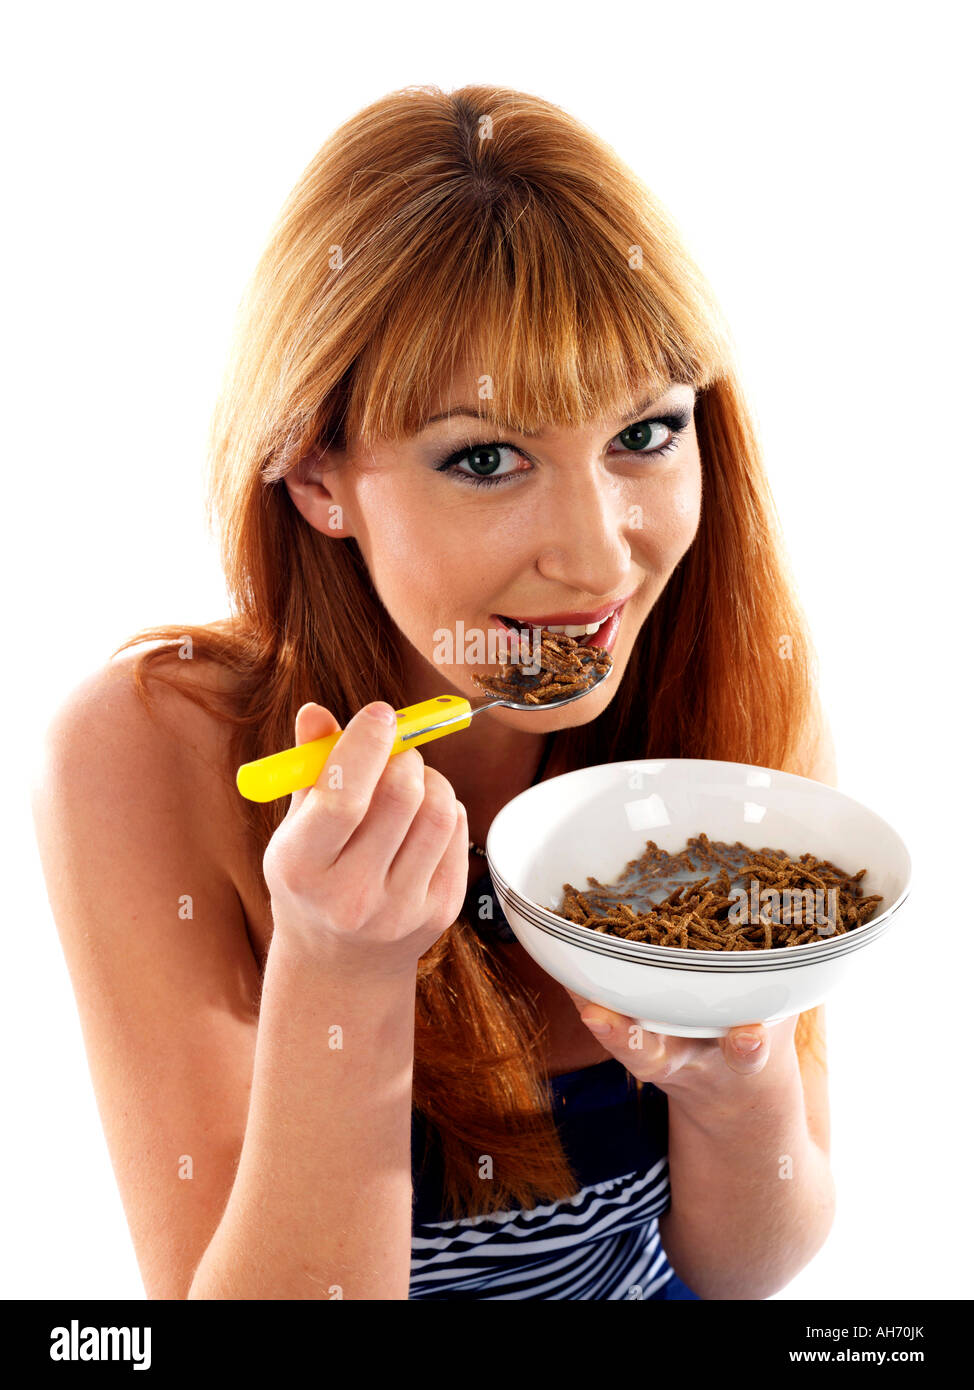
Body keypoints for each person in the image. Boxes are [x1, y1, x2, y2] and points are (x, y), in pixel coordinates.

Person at [31, 84, 837, 1301]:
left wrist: (742, 1090)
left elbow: (744, 1272)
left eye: (644, 434)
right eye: (483, 456)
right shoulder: (147, 752)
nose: (598, 555)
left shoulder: (724, 689)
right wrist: (339, 975)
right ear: (315, 476)